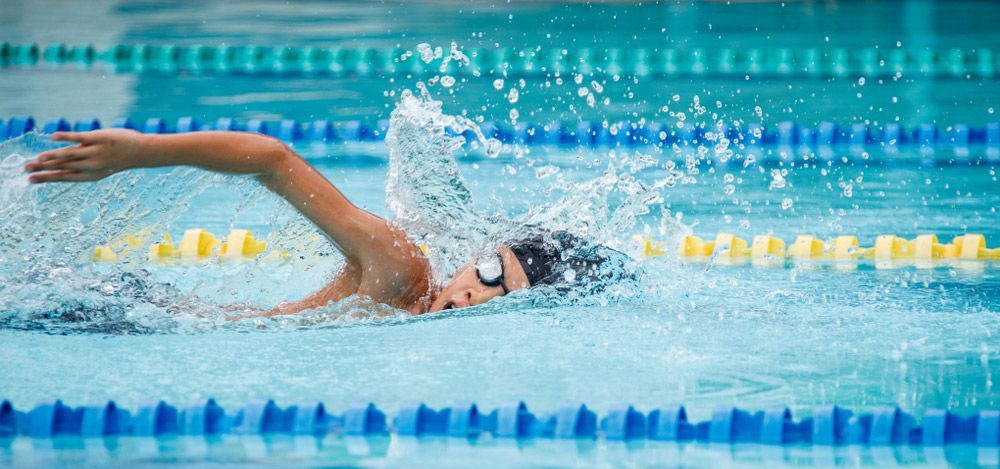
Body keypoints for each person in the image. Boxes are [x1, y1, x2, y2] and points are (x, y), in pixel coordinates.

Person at [24, 129, 626, 316]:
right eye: (491, 268)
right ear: (480, 253)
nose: (474, 291)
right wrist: (139, 153)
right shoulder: (402, 273)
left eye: (501, 294)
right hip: (130, 317)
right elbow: (275, 161)